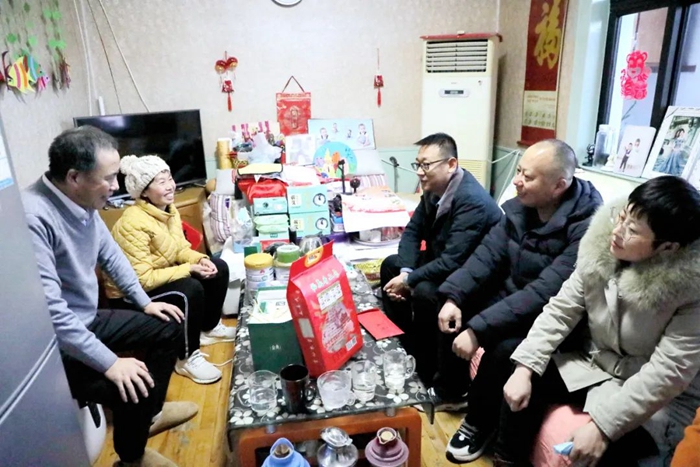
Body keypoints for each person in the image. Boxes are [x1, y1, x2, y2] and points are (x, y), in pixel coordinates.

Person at [23, 126, 198, 467]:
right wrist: (111, 362)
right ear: (74, 177)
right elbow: (51, 315)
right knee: (133, 382)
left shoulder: (82, 200)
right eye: (108, 178)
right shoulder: (34, 217)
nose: (116, 186)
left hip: (85, 319)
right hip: (53, 345)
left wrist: (145, 302)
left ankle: (149, 416)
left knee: (169, 324)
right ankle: (132, 458)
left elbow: (111, 256)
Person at [497, 176, 700, 466]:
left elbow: (668, 373)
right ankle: (507, 460)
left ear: (667, 247)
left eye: (632, 230)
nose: (617, 231)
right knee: (516, 367)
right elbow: (561, 309)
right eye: (622, 217)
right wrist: (526, 366)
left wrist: (603, 426)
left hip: (654, 396)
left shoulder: (691, 287)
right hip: (594, 364)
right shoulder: (601, 248)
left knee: (607, 454)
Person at [435, 139, 602, 461]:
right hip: (512, 300)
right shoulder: (521, 208)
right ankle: (452, 393)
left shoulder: (587, 228)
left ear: (559, 186)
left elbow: (544, 292)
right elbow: (486, 255)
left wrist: (479, 330)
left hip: (549, 317)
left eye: (528, 176)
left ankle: (478, 422)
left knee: (504, 350)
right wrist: (454, 296)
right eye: (519, 171)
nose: (516, 181)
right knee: (446, 307)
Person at [380, 132, 501, 384]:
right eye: (418, 164)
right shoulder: (434, 189)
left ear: (451, 164)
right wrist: (405, 272)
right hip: (444, 262)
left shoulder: (472, 201)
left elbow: (453, 261)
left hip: (470, 275)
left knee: (425, 290)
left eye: (426, 165)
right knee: (391, 266)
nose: (419, 172)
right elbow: (412, 232)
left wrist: (410, 280)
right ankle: (403, 344)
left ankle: (428, 370)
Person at [105, 155, 235, 385]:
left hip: (158, 275)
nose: (170, 186)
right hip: (130, 294)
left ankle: (209, 329)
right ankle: (186, 357)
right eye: (161, 182)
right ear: (144, 192)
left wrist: (199, 259)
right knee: (190, 288)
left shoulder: (168, 210)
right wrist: (189, 268)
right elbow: (142, 279)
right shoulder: (132, 223)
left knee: (218, 266)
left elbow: (179, 249)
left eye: (170, 179)